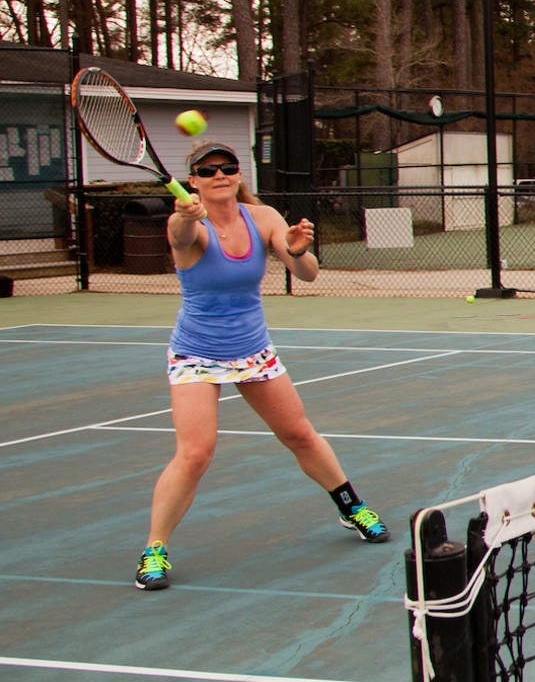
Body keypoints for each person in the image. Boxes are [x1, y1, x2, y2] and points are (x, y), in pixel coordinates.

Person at [137, 141, 388, 591]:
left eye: (227, 167)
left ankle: (352, 506)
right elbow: (179, 236)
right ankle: (154, 551)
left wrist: (294, 250)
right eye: (207, 169)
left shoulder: (264, 218)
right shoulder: (189, 224)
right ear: (192, 180)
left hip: (252, 349)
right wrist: (182, 217)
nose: (219, 175)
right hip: (196, 354)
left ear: (238, 174)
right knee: (195, 452)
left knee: (299, 434)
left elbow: (309, 274)